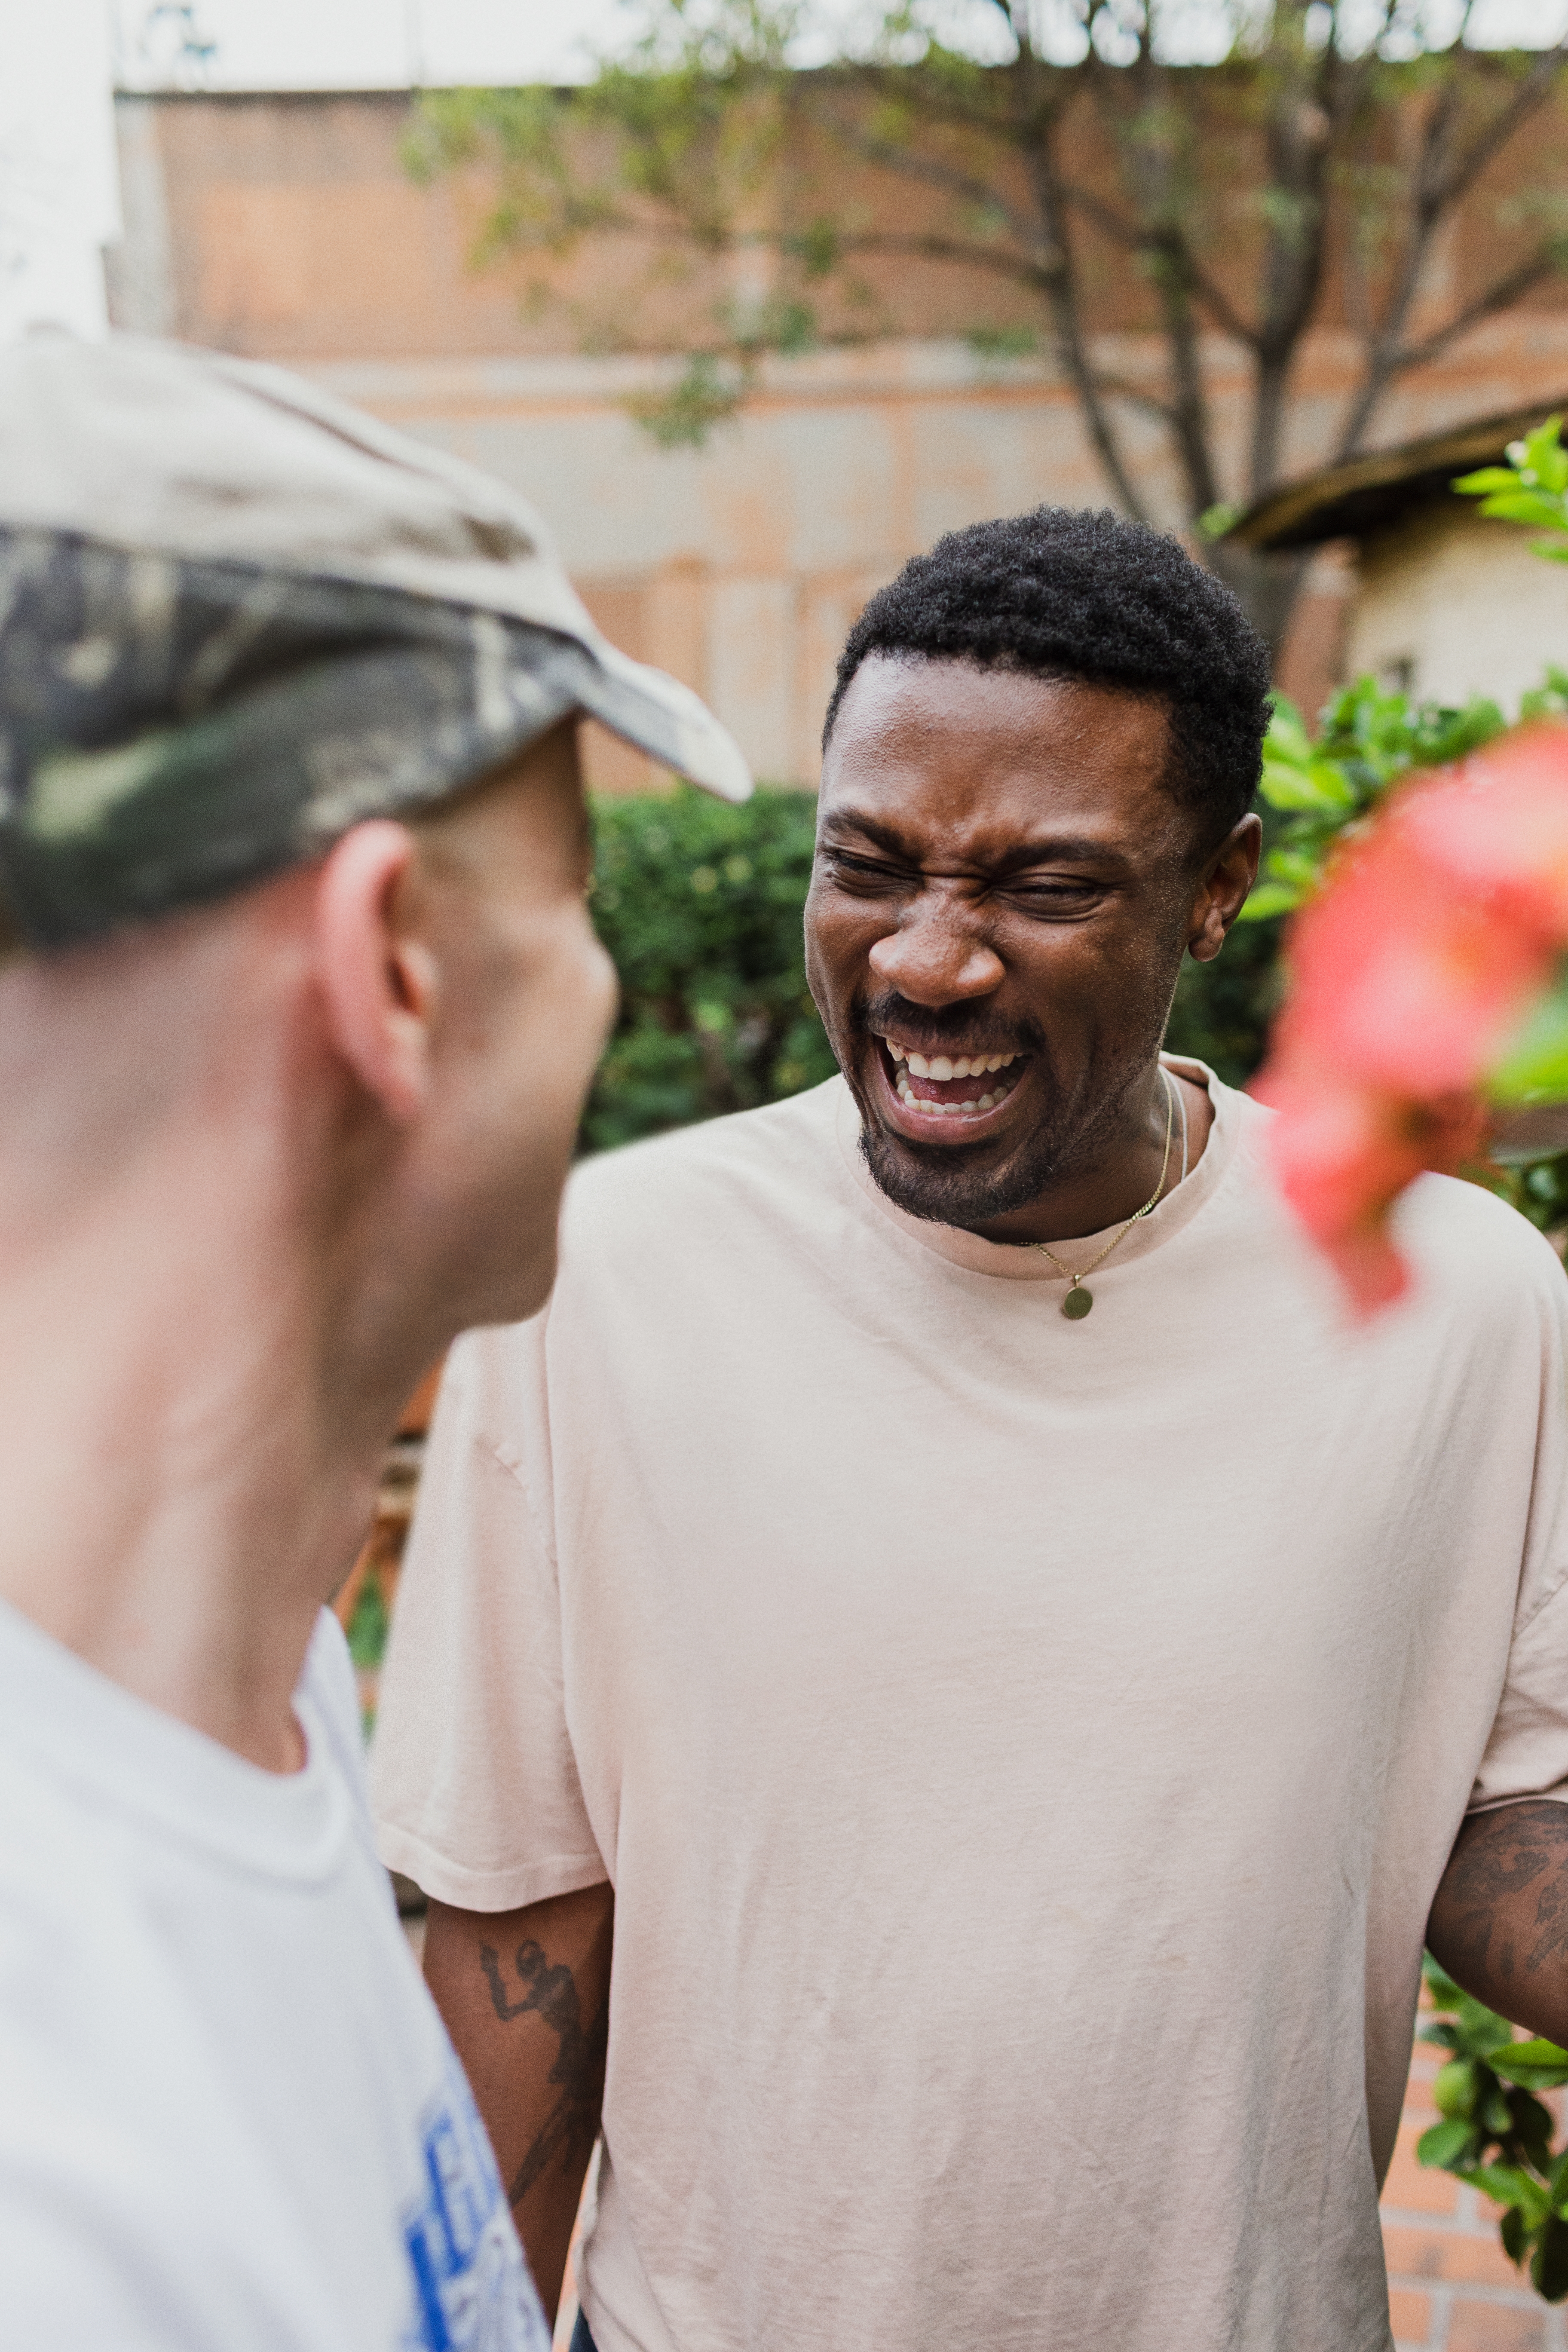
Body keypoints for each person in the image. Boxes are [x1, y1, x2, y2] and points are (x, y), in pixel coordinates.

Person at [373, 503, 1568, 2352]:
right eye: (869, 865)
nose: (927, 962)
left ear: (1218, 887)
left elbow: (1497, 1806)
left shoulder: (1449, 1293)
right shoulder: (602, 1276)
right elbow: (520, 1924)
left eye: (1046, 887)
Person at [0, 332, 749, 2352]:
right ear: (394, 971)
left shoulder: (256, 1688)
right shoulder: (50, 2206)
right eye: (576, 898)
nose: (602, 985)